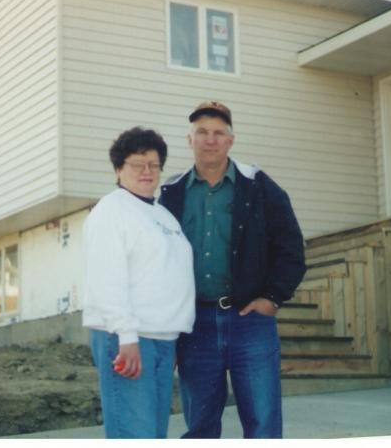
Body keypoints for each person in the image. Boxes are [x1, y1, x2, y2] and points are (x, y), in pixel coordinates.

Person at [159, 101, 307, 439]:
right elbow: (160, 263)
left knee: (263, 425)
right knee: (200, 428)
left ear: (230, 140)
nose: (210, 140)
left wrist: (272, 298)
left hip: (249, 322)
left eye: (218, 133)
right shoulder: (172, 192)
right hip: (194, 326)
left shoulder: (259, 185)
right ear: (189, 140)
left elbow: (291, 249)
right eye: (202, 132)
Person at [82, 126, 196, 439]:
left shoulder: (162, 215)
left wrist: (172, 336)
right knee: (135, 435)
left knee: (154, 435)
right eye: (137, 164)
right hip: (128, 339)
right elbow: (107, 277)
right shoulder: (112, 210)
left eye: (154, 165)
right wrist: (127, 336)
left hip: (162, 339)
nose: (147, 171)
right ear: (119, 169)